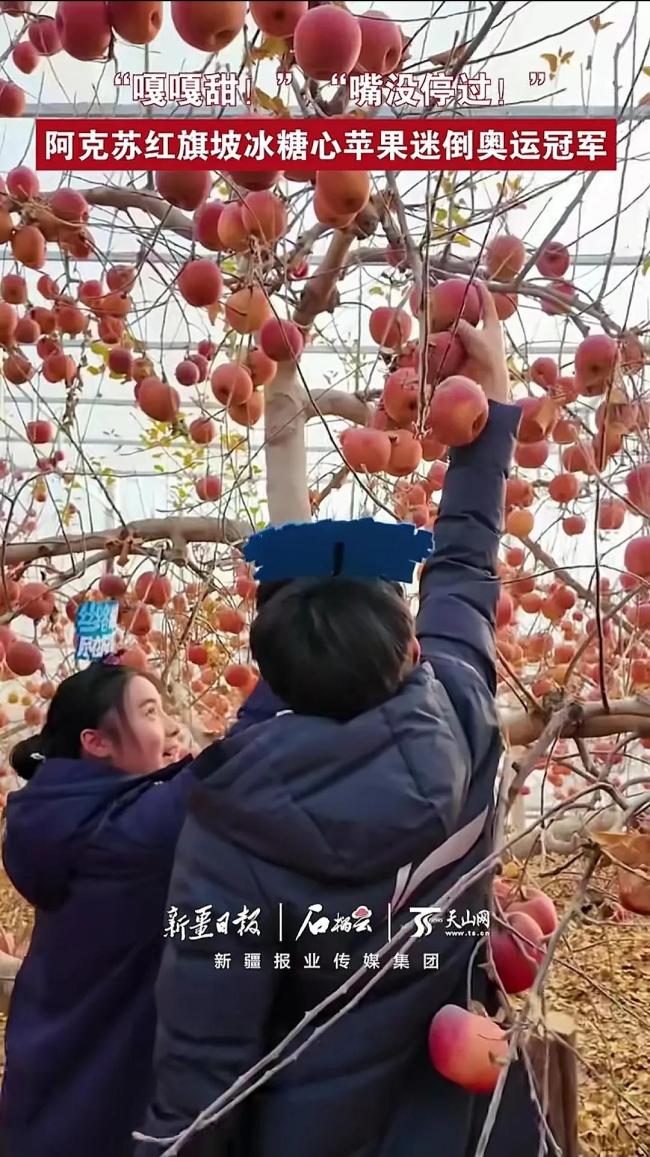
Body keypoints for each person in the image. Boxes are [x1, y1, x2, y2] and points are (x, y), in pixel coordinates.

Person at [135, 285, 543, 1157]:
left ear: (269, 676)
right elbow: (466, 565)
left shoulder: (229, 824)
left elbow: (202, 1066)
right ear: (408, 648)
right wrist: (491, 406)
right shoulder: (465, 714)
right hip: (461, 1122)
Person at [0, 659, 278, 1157]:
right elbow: (241, 758)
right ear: (97, 742)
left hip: (46, 1097)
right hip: (100, 1113)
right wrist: (310, 634)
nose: (169, 725)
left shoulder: (61, 818)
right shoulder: (126, 835)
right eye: (151, 711)